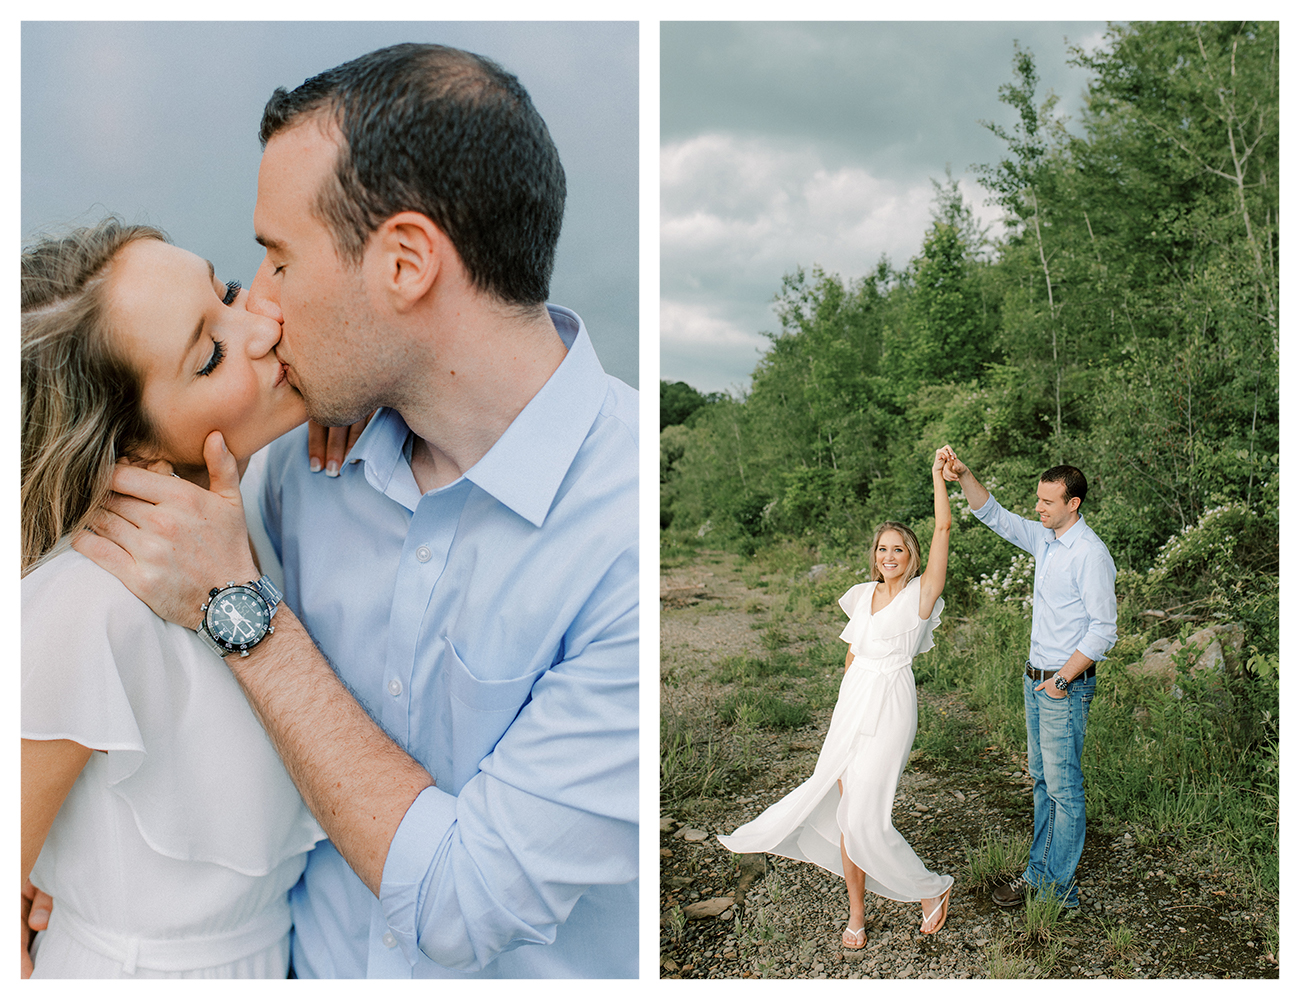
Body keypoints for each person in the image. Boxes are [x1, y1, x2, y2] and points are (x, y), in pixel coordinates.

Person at [68, 43, 638, 978]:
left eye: (280, 259)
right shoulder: (298, 456)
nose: (260, 304)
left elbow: (464, 904)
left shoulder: (623, 536)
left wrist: (242, 615)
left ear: (406, 262)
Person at [21, 218, 326, 977]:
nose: (260, 323)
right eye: (211, 354)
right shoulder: (89, 604)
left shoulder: (262, 502)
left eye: (226, 290)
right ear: (137, 450)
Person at [718, 448, 956, 947]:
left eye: (898, 549)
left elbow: (942, 532)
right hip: (853, 703)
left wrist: (939, 478)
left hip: (891, 703)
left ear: (911, 557)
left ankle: (929, 889)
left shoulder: (921, 595)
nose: (888, 557)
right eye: (881, 549)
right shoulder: (860, 595)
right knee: (846, 809)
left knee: (868, 814)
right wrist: (838, 715)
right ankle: (857, 911)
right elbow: (850, 660)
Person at [940, 449, 1116, 908]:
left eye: (1047, 502)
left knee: (1064, 787)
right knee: (1042, 780)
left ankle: (1057, 888)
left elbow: (1104, 629)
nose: (1038, 508)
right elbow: (992, 514)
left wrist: (1061, 679)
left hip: (1064, 686)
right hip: (1035, 681)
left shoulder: (1090, 554)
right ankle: (1039, 872)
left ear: (1073, 503)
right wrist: (962, 475)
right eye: (1038, 500)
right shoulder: (1046, 539)